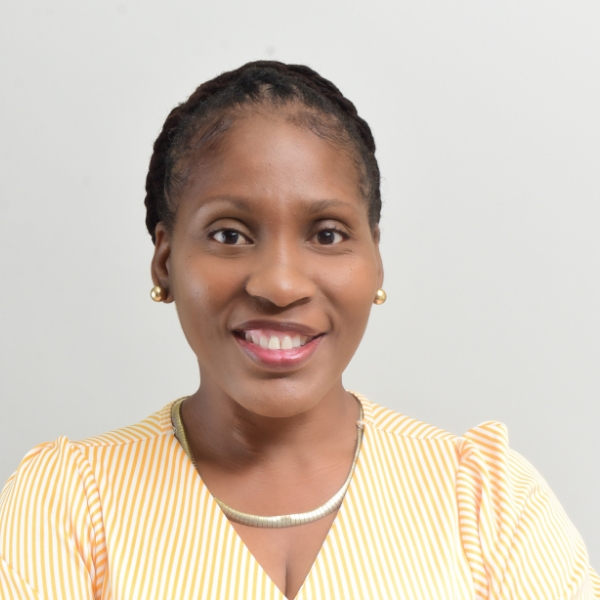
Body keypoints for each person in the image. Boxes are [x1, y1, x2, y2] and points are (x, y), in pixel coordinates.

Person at [0, 60, 598, 600]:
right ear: (165, 261)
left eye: (328, 234)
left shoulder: (490, 501)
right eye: (230, 234)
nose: (280, 285)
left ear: (376, 261)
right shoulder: (67, 504)